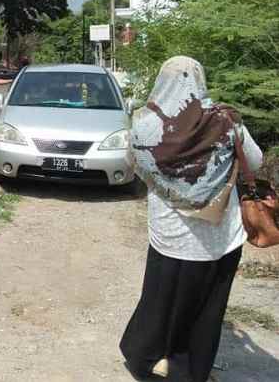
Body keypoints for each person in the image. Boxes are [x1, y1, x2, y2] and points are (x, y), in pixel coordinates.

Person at [120, 56, 263, 382]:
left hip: (168, 237)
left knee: (158, 304)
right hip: (219, 241)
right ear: (200, 82)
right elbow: (254, 161)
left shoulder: (143, 124)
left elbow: (135, 166)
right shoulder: (227, 123)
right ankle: (191, 372)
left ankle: (144, 358)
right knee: (207, 313)